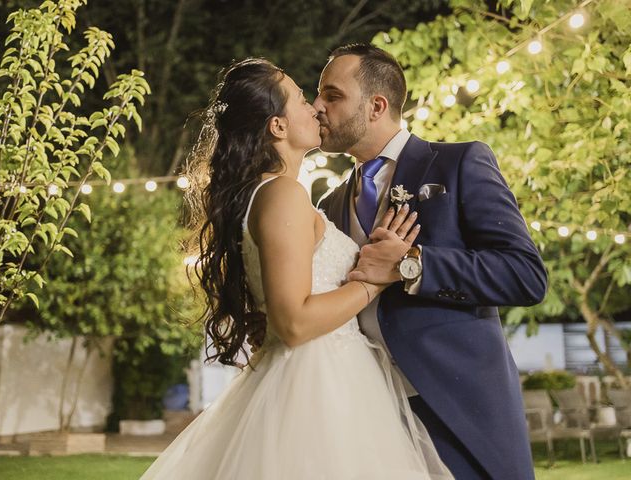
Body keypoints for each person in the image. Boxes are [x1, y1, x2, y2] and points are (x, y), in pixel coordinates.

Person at [139, 58, 453, 479]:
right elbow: (293, 322)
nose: (316, 108)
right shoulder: (282, 193)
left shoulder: (285, 196)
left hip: (330, 378)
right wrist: (374, 279)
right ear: (278, 127)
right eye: (303, 99)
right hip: (315, 387)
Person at [314, 44, 548, 480]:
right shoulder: (327, 205)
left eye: (332, 95)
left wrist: (412, 264)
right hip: (364, 415)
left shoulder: (460, 162)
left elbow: (526, 275)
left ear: (376, 105)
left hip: (458, 407)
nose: (317, 107)